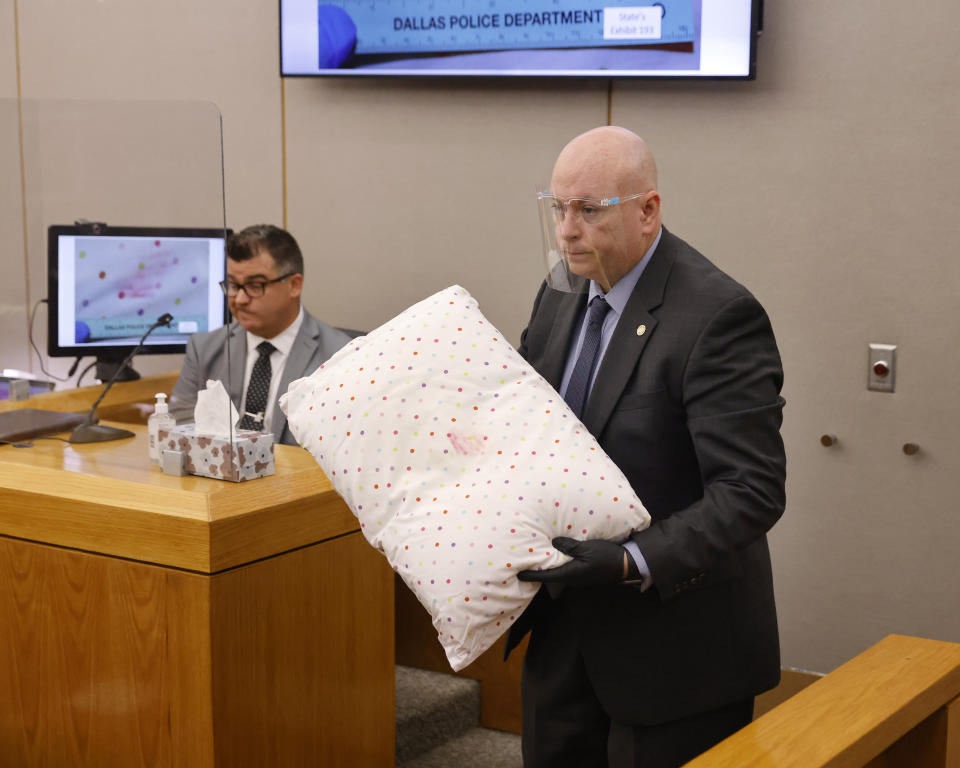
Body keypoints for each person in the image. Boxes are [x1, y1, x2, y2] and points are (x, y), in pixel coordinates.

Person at [507, 126, 787, 767]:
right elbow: (528, 427)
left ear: (648, 209)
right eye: (558, 207)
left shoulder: (718, 315)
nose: (567, 231)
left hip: (677, 650)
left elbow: (751, 492)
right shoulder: (561, 290)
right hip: (566, 627)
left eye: (588, 210)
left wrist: (633, 558)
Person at [170, 224, 351, 445]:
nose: (239, 299)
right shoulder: (204, 348)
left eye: (255, 286)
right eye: (233, 285)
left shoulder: (341, 356)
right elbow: (182, 426)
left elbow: (340, 446)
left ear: (294, 285)